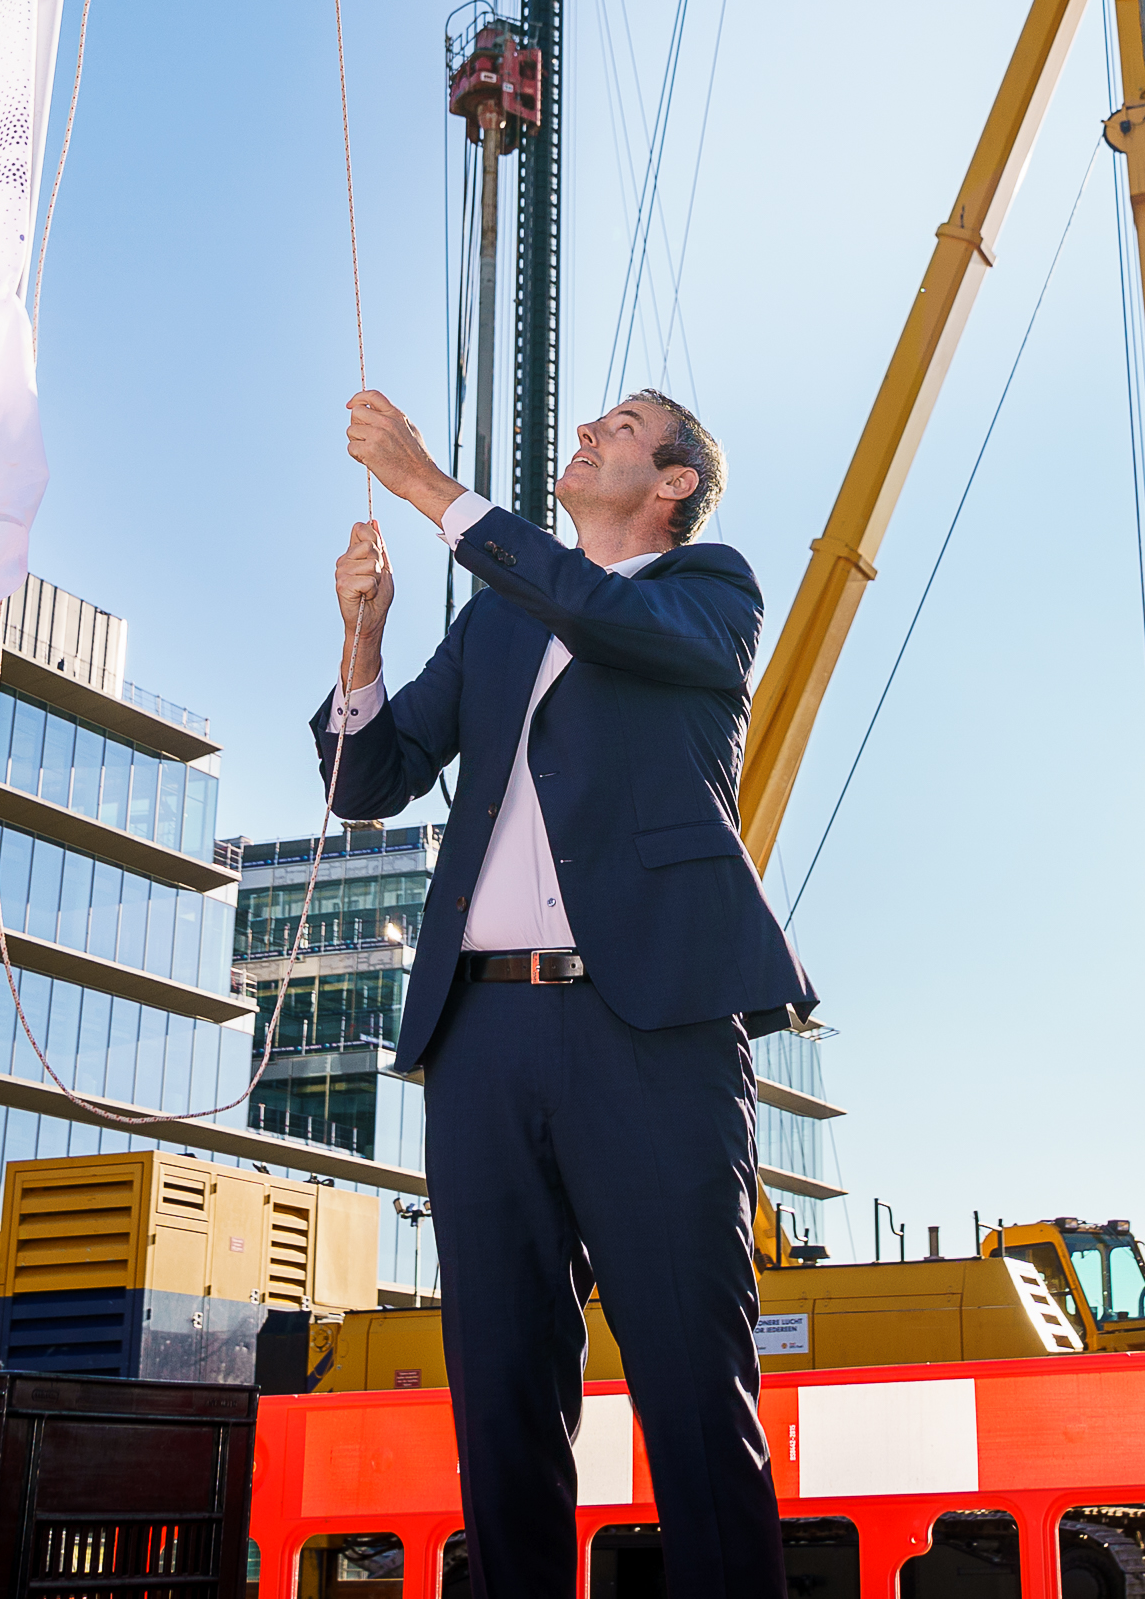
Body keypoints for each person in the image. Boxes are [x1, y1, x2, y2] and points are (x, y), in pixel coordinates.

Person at [318, 386, 819, 1599]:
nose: (587, 429)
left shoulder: (711, 594)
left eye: (622, 424)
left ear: (674, 485)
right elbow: (366, 780)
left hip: (646, 1027)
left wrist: (433, 487)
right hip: (480, 1034)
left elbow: (597, 613)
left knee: (693, 1383)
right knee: (498, 1391)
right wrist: (364, 641)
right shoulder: (496, 623)